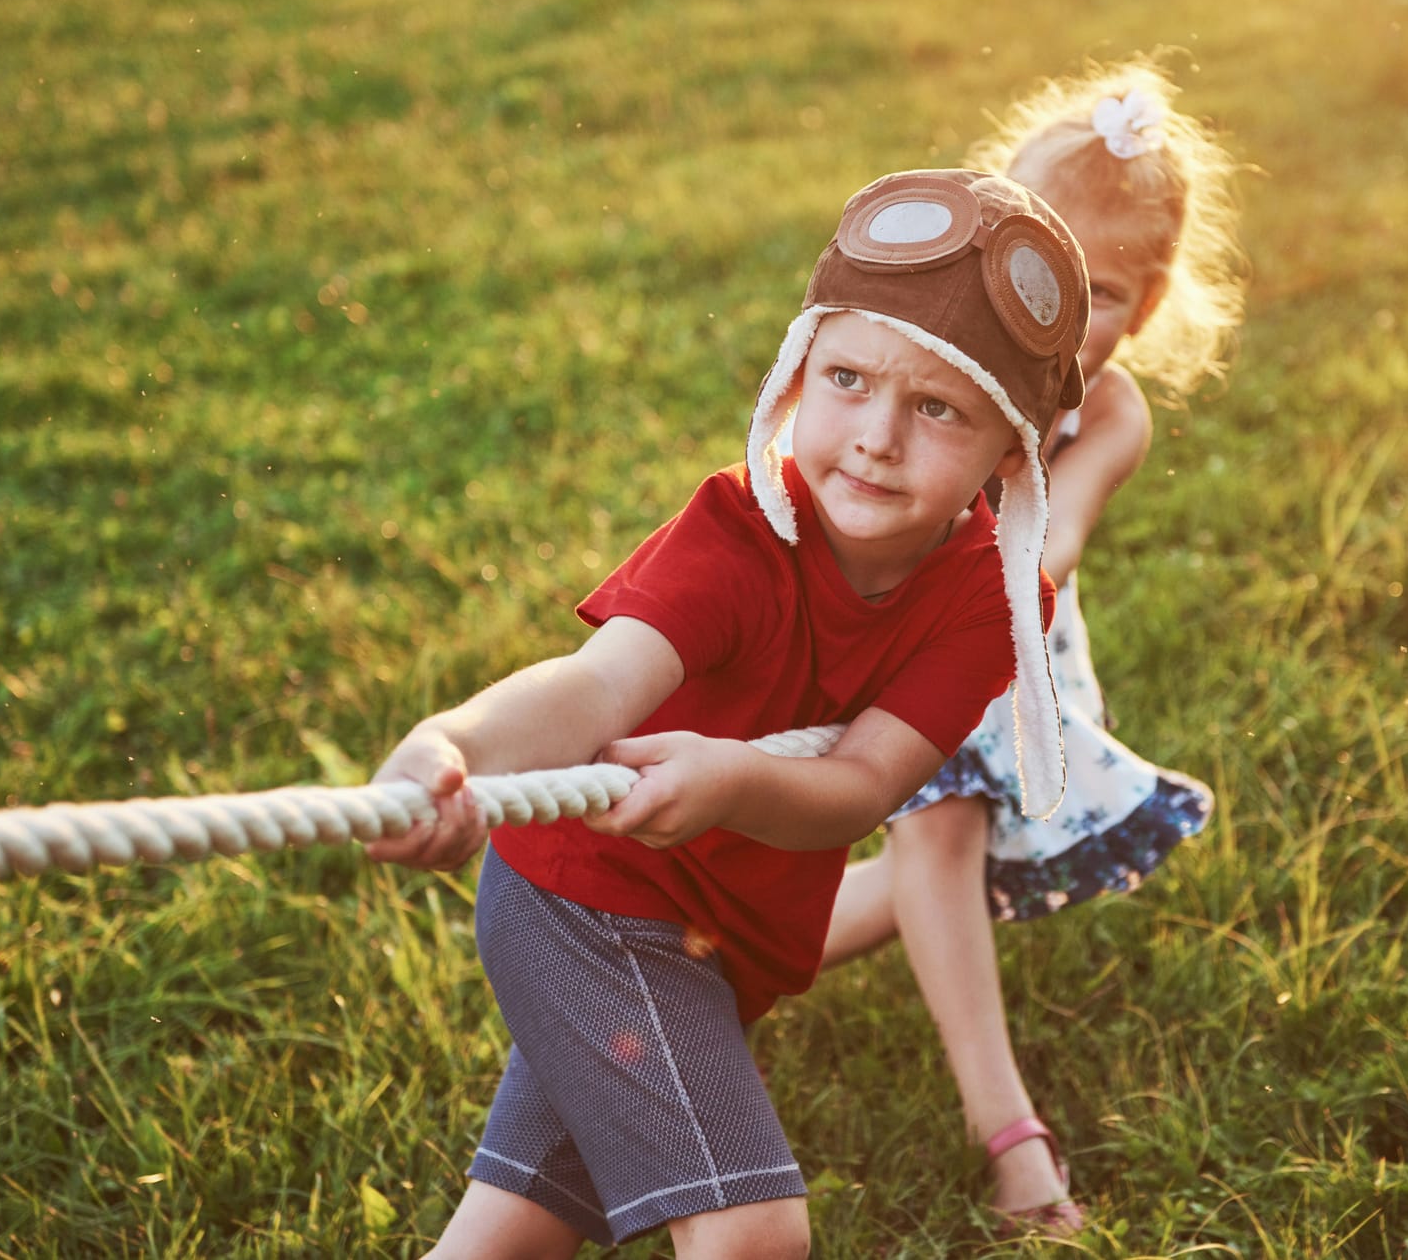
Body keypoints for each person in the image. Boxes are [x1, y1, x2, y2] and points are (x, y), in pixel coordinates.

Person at [365, 167, 1091, 1258]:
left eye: (937, 407)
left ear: (1010, 447)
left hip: (720, 940)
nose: (877, 436)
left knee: (511, 1235)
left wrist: (733, 781)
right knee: (752, 1229)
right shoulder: (742, 530)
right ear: (798, 372)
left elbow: (863, 786)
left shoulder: (992, 600)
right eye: (846, 378)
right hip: (589, 894)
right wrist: (452, 745)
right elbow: (593, 687)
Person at [819, 57, 1245, 1234]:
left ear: (1145, 311)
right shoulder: (927, 361)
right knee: (939, 841)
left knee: (943, 854)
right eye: (1039, 267)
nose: (1060, 313)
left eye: (1098, 293)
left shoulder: (1107, 412)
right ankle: (1009, 1135)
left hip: (1005, 640)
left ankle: (719, 955)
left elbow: (1046, 546)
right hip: (883, 617)